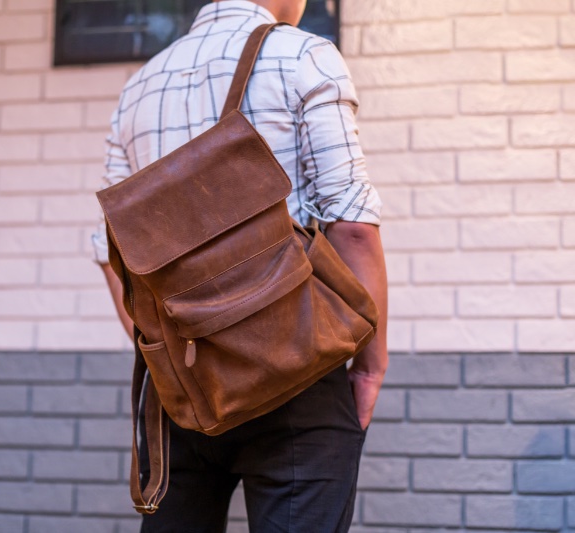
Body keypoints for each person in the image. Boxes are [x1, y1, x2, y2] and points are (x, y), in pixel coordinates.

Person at [91, 1, 389, 530]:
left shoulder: (139, 86)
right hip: (299, 368)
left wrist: (173, 367)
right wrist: (369, 363)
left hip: (186, 388)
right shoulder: (304, 55)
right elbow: (352, 223)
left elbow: (114, 257)